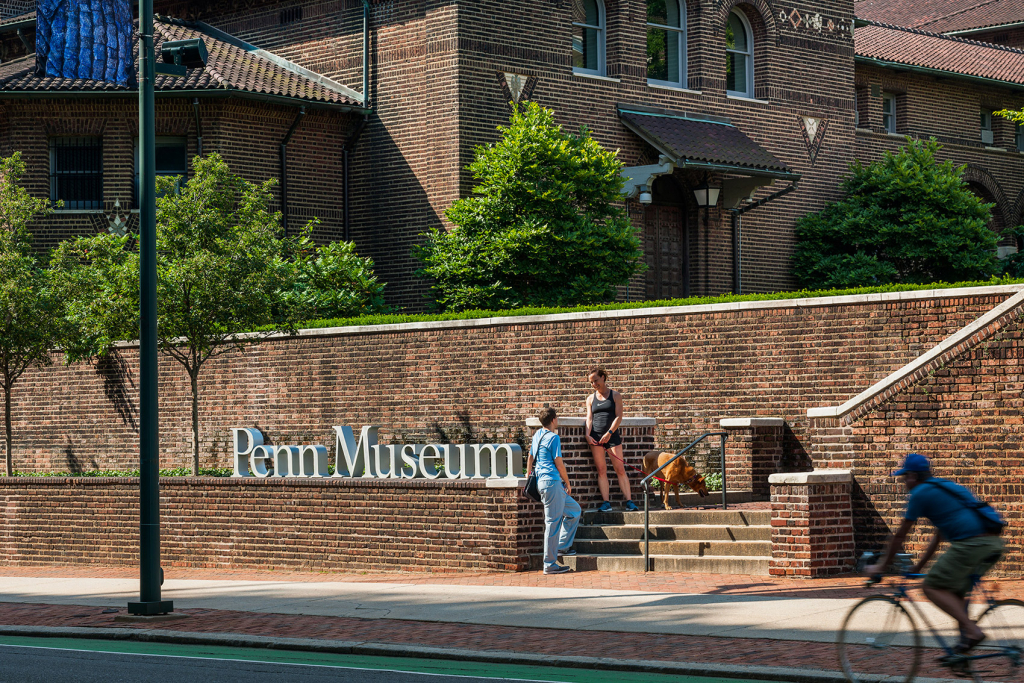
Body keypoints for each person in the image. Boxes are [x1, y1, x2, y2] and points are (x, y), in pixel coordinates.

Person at [866, 453, 1004, 652]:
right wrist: (919, 567)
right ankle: (964, 651)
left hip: (971, 545)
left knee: (930, 587)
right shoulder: (942, 487)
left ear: (913, 476)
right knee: (955, 593)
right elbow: (938, 535)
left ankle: (973, 632)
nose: (904, 482)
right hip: (991, 544)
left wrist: (880, 567)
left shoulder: (920, 493)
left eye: (905, 477)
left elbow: (899, 536)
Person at [526, 407, 581, 575]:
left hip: (543, 483)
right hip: (552, 482)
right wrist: (568, 482)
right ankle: (549, 563)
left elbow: (530, 457)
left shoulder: (537, 435)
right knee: (552, 523)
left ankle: (562, 547)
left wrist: (529, 475)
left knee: (574, 511)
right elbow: (559, 463)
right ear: (553, 420)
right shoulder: (553, 437)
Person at [585, 367, 638, 512]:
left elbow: (619, 417)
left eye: (596, 380)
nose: (594, 384)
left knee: (620, 469)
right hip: (596, 438)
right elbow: (589, 418)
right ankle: (606, 502)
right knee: (601, 470)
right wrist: (587, 434)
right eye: (591, 382)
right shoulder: (590, 399)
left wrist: (609, 433)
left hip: (611, 436)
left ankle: (629, 501)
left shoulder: (615, 395)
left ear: (603, 377)